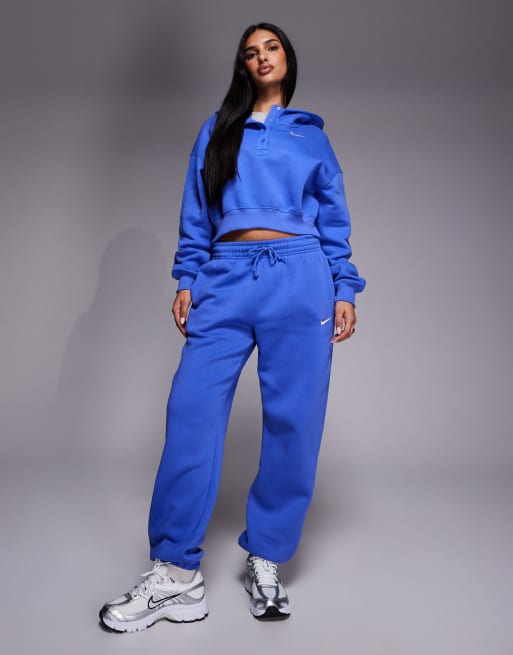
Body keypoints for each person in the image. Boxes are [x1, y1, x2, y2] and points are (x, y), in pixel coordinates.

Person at [99, 21, 366, 631]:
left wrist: (345, 287)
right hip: (224, 278)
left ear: (287, 59)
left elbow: (334, 221)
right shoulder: (217, 130)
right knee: (190, 412)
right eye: (251, 52)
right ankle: (176, 574)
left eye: (271, 48)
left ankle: (266, 557)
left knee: (295, 422)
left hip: (301, 278)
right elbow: (196, 212)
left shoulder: (312, 138)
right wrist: (187, 278)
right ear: (243, 66)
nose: (262, 57)